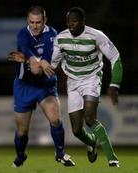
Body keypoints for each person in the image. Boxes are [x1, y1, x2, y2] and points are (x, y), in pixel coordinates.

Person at [41, 7, 123, 167]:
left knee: (90, 118)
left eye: (75, 21)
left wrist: (114, 84)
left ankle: (112, 158)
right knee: (77, 130)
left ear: (83, 22)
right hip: (72, 82)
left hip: (92, 78)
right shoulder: (61, 38)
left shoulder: (97, 36)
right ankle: (91, 142)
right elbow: (53, 64)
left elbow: (115, 58)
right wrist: (38, 65)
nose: (71, 24)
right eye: (68, 21)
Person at [7, 5, 75, 167]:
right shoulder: (23, 34)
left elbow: (42, 66)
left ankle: (60, 153)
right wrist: (33, 60)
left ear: (45, 20)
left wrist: (27, 59)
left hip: (45, 85)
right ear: (28, 21)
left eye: (38, 22)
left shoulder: (52, 34)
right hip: (24, 86)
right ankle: (20, 156)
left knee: (55, 119)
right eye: (32, 22)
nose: (35, 26)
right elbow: (37, 66)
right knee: (22, 131)